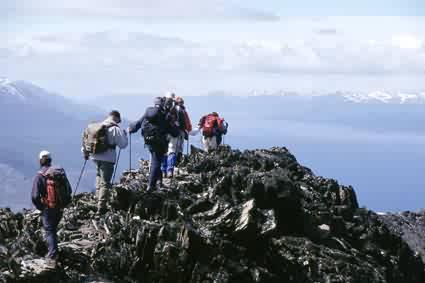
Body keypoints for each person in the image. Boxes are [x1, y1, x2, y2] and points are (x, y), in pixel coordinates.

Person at [32, 151, 72, 268]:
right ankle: (54, 250)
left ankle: (52, 257)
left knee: (49, 230)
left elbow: (34, 196)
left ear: (40, 161)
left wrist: (40, 207)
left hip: (48, 207)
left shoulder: (40, 175)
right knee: (53, 229)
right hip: (60, 206)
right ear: (50, 160)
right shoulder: (58, 172)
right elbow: (68, 189)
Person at [83, 110, 128, 215]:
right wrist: (124, 135)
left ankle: (97, 200)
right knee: (105, 183)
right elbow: (123, 145)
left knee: (99, 177)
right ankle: (101, 207)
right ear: (116, 118)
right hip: (107, 158)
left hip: (94, 156)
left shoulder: (97, 126)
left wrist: (85, 153)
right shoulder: (115, 129)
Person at [128, 97, 171, 191]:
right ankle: (151, 185)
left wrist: (131, 129)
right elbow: (172, 130)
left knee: (156, 160)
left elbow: (138, 123)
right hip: (159, 142)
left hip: (148, 141)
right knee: (156, 162)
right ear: (162, 104)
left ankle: (159, 182)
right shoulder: (164, 114)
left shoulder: (148, 113)